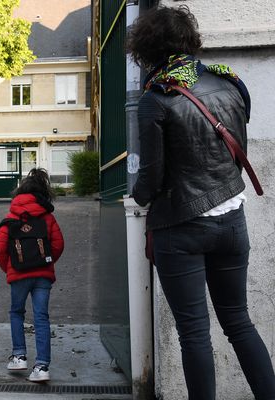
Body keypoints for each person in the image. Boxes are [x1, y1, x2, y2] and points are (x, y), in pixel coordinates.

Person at [129, 6, 275, 400]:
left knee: (194, 333)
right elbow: (234, 145)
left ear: (147, 48)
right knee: (239, 322)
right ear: (189, 41)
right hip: (232, 218)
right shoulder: (231, 82)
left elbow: (151, 179)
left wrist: (137, 198)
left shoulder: (156, 98)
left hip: (181, 227)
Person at [0, 168, 64, 382]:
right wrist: (46, 263)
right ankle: (42, 367)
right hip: (42, 275)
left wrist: (10, 268)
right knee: (41, 317)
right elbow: (58, 244)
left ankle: (19, 356)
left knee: (17, 312)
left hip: (19, 275)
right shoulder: (48, 217)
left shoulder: (11, 216)